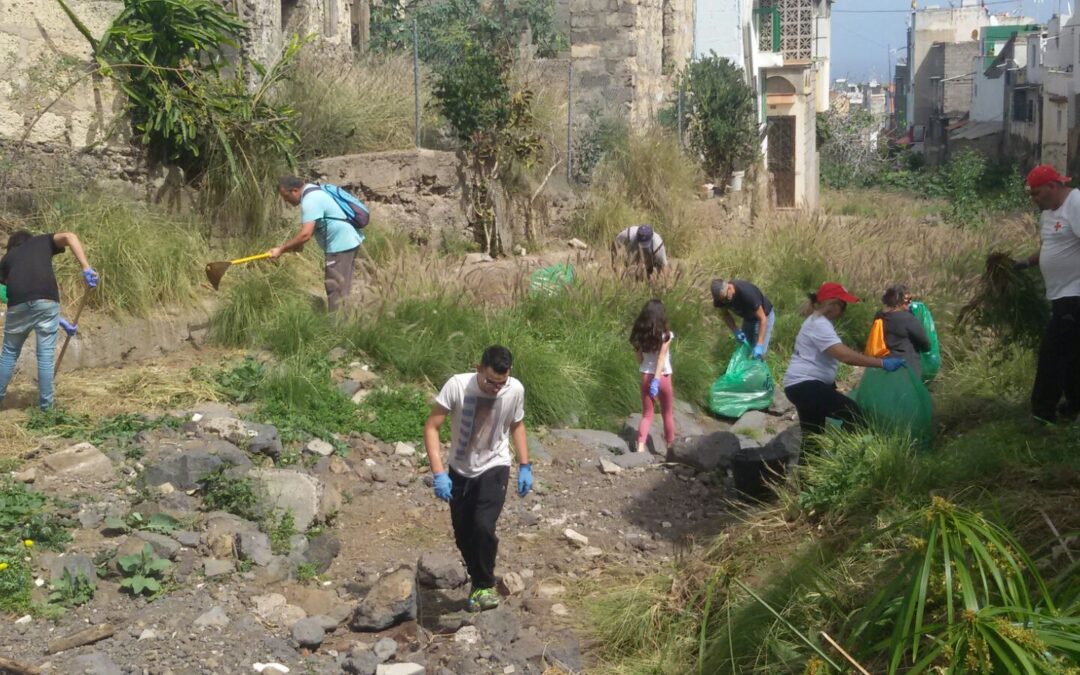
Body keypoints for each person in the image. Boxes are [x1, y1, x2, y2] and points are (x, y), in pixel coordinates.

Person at [423, 345, 533, 613]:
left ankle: (484, 584)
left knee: (483, 525)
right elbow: (432, 427)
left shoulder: (515, 390)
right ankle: (477, 579)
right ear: (478, 368)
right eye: (490, 381)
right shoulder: (457, 386)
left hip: (495, 465)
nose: (496, 388)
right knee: (463, 534)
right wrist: (439, 473)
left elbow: (517, 425)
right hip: (459, 469)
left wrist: (525, 465)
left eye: (501, 383)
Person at [782, 282, 906, 445]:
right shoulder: (819, 324)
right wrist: (882, 363)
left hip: (799, 386)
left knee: (813, 439)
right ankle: (853, 455)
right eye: (843, 304)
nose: (844, 309)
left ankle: (809, 469)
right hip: (805, 385)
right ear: (833, 304)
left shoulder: (817, 321)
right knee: (853, 414)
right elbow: (844, 355)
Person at [0, 230, 97, 410]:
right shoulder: (41, 241)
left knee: (8, 355)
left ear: (12, 245)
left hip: (17, 306)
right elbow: (70, 236)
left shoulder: (7, 259)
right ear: (30, 239)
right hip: (46, 302)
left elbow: (15, 292)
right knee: (45, 357)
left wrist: (59, 321)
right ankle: (46, 409)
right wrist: (86, 268)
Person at [1014, 164, 1080, 424]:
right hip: (1060, 295)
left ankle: (1042, 413)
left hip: (1074, 296)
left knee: (1052, 353)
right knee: (1072, 355)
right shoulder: (1048, 214)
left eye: (1036, 193)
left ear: (1053, 186)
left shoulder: (1075, 203)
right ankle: (1074, 405)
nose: (1033, 199)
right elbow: (1050, 247)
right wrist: (1025, 263)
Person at [272, 175, 364, 313]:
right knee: (341, 289)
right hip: (347, 241)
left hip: (340, 246)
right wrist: (296, 245)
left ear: (295, 190)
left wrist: (281, 250)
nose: (285, 200)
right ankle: (345, 325)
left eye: (285, 196)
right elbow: (317, 223)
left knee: (335, 289)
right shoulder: (314, 190)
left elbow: (305, 234)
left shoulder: (310, 200)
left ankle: (338, 331)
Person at [629, 299, 675, 453]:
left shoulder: (639, 335)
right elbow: (661, 358)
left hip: (645, 376)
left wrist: (648, 371)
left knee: (647, 414)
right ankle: (670, 447)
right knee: (667, 413)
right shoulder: (666, 335)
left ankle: (640, 446)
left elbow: (639, 359)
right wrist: (657, 380)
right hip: (663, 377)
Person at [875, 284, 931, 380]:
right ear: (898, 301)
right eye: (908, 300)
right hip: (906, 367)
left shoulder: (879, 315)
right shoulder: (908, 319)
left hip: (883, 364)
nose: (910, 302)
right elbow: (924, 342)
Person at [710, 279, 776, 360]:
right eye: (722, 300)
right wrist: (735, 330)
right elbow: (725, 314)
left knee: (758, 355)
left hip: (764, 317)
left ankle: (759, 370)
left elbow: (763, 319)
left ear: (729, 287)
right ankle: (747, 370)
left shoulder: (746, 293)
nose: (724, 302)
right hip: (748, 318)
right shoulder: (720, 299)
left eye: (726, 298)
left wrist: (759, 344)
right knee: (744, 349)